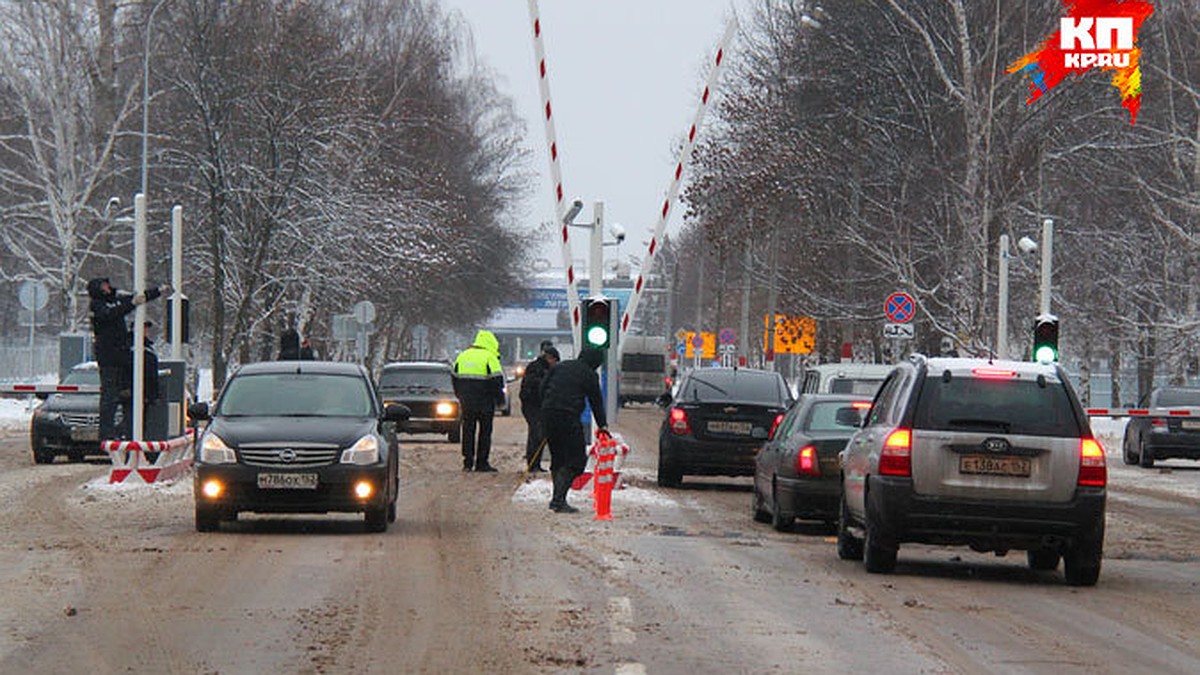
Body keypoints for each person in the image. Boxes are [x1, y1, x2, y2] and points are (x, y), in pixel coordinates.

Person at [87, 277, 169, 441]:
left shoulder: (116, 301)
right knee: (110, 395)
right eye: (104, 285)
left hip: (122, 356)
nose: (108, 287)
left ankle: (127, 430)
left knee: (127, 395)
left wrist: (157, 291)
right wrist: (131, 304)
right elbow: (111, 313)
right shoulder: (97, 305)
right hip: (109, 357)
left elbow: (135, 299)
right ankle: (106, 432)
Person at [539, 346, 609, 513]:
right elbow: (596, 401)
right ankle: (558, 500)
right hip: (568, 417)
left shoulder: (559, 367)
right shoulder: (589, 374)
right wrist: (603, 426)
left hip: (548, 415)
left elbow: (542, 389)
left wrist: (546, 407)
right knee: (577, 461)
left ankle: (558, 499)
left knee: (558, 458)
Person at [452, 329, 505, 472]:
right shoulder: (490, 357)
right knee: (485, 432)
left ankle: (467, 462)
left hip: (467, 402)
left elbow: (454, 378)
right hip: (485, 402)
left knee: (468, 431)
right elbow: (497, 381)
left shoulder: (463, 356)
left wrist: (460, 395)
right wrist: (500, 401)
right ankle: (482, 463)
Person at [519, 341, 560, 472]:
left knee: (541, 434)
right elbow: (532, 386)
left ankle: (536, 463)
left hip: (541, 405)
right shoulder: (535, 368)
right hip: (532, 405)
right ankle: (532, 464)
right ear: (550, 358)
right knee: (536, 433)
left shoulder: (548, 369)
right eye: (555, 361)